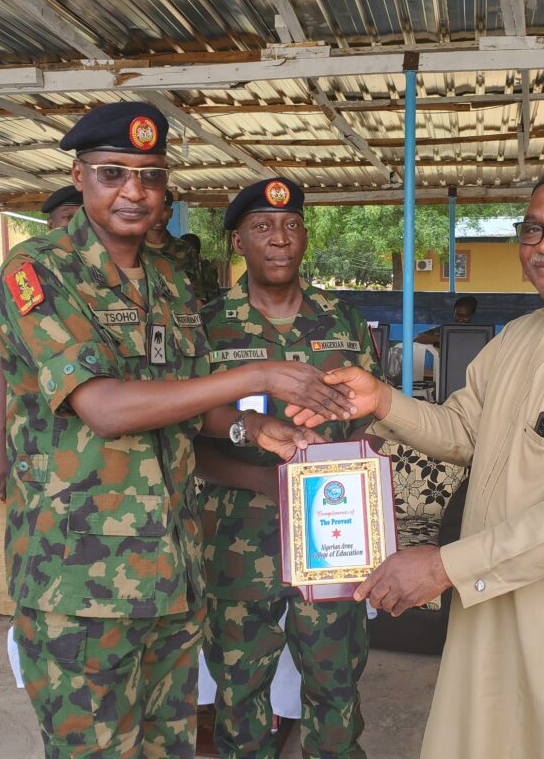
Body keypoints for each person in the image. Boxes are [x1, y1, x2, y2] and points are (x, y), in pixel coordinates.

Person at [290, 138, 544, 759]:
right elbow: (464, 430)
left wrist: (443, 567)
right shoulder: (517, 337)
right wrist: (383, 400)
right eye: (534, 229)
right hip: (489, 611)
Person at [0, 101, 352, 759]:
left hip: (175, 571)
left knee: (171, 746)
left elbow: (184, 403)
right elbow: (104, 406)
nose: (133, 191)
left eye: (150, 176)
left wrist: (251, 428)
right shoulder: (37, 271)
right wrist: (256, 376)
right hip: (81, 580)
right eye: (113, 173)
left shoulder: (169, 280)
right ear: (79, 176)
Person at [197, 177, 381, 759]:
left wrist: (353, 475)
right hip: (234, 541)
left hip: (331, 539)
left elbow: (372, 419)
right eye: (262, 227)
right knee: (239, 695)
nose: (280, 239)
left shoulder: (343, 320)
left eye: (291, 225)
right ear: (238, 242)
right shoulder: (205, 326)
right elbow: (182, 438)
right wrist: (265, 480)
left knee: (336, 686)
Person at [414, 295, 478, 345]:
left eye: (465, 316)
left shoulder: (478, 333)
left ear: (472, 315)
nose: (460, 319)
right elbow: (418, 338)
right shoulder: (444, 330)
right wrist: (441, 339)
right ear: (454, 313)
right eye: (458, 315)